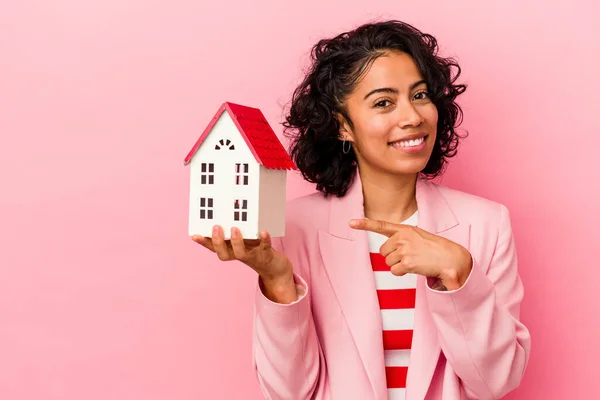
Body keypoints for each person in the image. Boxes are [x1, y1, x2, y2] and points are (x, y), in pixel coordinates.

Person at [192, 19, 531, 400]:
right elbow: (289, 393)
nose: (413, 117)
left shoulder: (486, 225)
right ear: (343, 127)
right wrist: (278, 281)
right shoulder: (294, 228)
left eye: (420, 95)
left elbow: (497, 382)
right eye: (384, 102)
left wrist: (459, 274)